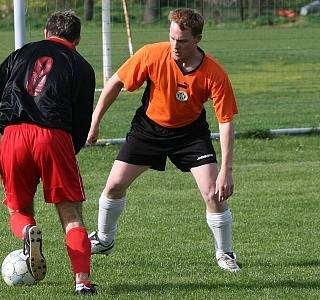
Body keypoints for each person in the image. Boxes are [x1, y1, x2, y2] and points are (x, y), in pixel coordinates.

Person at [0, 10, 97, 295]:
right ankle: (82, 281)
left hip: (13, 136)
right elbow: (81, 119)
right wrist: (69, 151)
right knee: (71, 213)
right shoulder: (82, 66)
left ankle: (28, 233)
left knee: (19, 208)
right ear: (77, 39)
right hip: (54, 136)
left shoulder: (21, 53)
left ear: (45, 32)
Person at [87, 8, 240, 272]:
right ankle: (104, 239)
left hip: (190, 134)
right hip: (149, 129)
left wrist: (226, 170)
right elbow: (115, 83)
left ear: (197, 39)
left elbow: (225, 122)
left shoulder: (214, 73)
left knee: (213, 193)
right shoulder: (151, 53)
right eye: (171, 37)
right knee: (113, 185)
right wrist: (95, 121)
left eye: (182, 40)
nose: (175, 45)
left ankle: (225, 253)